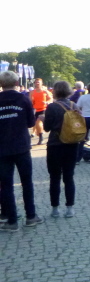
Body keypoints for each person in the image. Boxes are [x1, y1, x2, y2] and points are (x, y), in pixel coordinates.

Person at [0, 71, 43, 231]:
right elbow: (31, 123)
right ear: (17, 83)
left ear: (1, 84)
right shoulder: (23, 99)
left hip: (2, 148)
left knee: (6, 185)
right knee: (26, 182)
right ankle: (31, 216)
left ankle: (11, 221)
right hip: (21, 146)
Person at [43, 81, 83, 218]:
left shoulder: (52, 107)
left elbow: (47, 128)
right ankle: (70, 208)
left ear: (55, 91)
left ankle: (55, 209)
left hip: (55, 144)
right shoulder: (74, 105)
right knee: (69, 176)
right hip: (71, 144)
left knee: (54, 177)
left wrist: (43, 119)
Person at [29, 78, 53, 145]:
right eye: (36, 82)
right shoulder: (32, 92)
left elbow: (51, 99)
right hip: (36, 110)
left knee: (38, 122)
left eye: (38, 82)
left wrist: (47, 102)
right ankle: (41, 136)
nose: (37, 83)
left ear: (42, 83)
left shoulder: (45, 91)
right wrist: (31, 103)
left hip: (44, 109)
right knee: (37, 126)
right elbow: (30, 101)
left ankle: (41, 138)